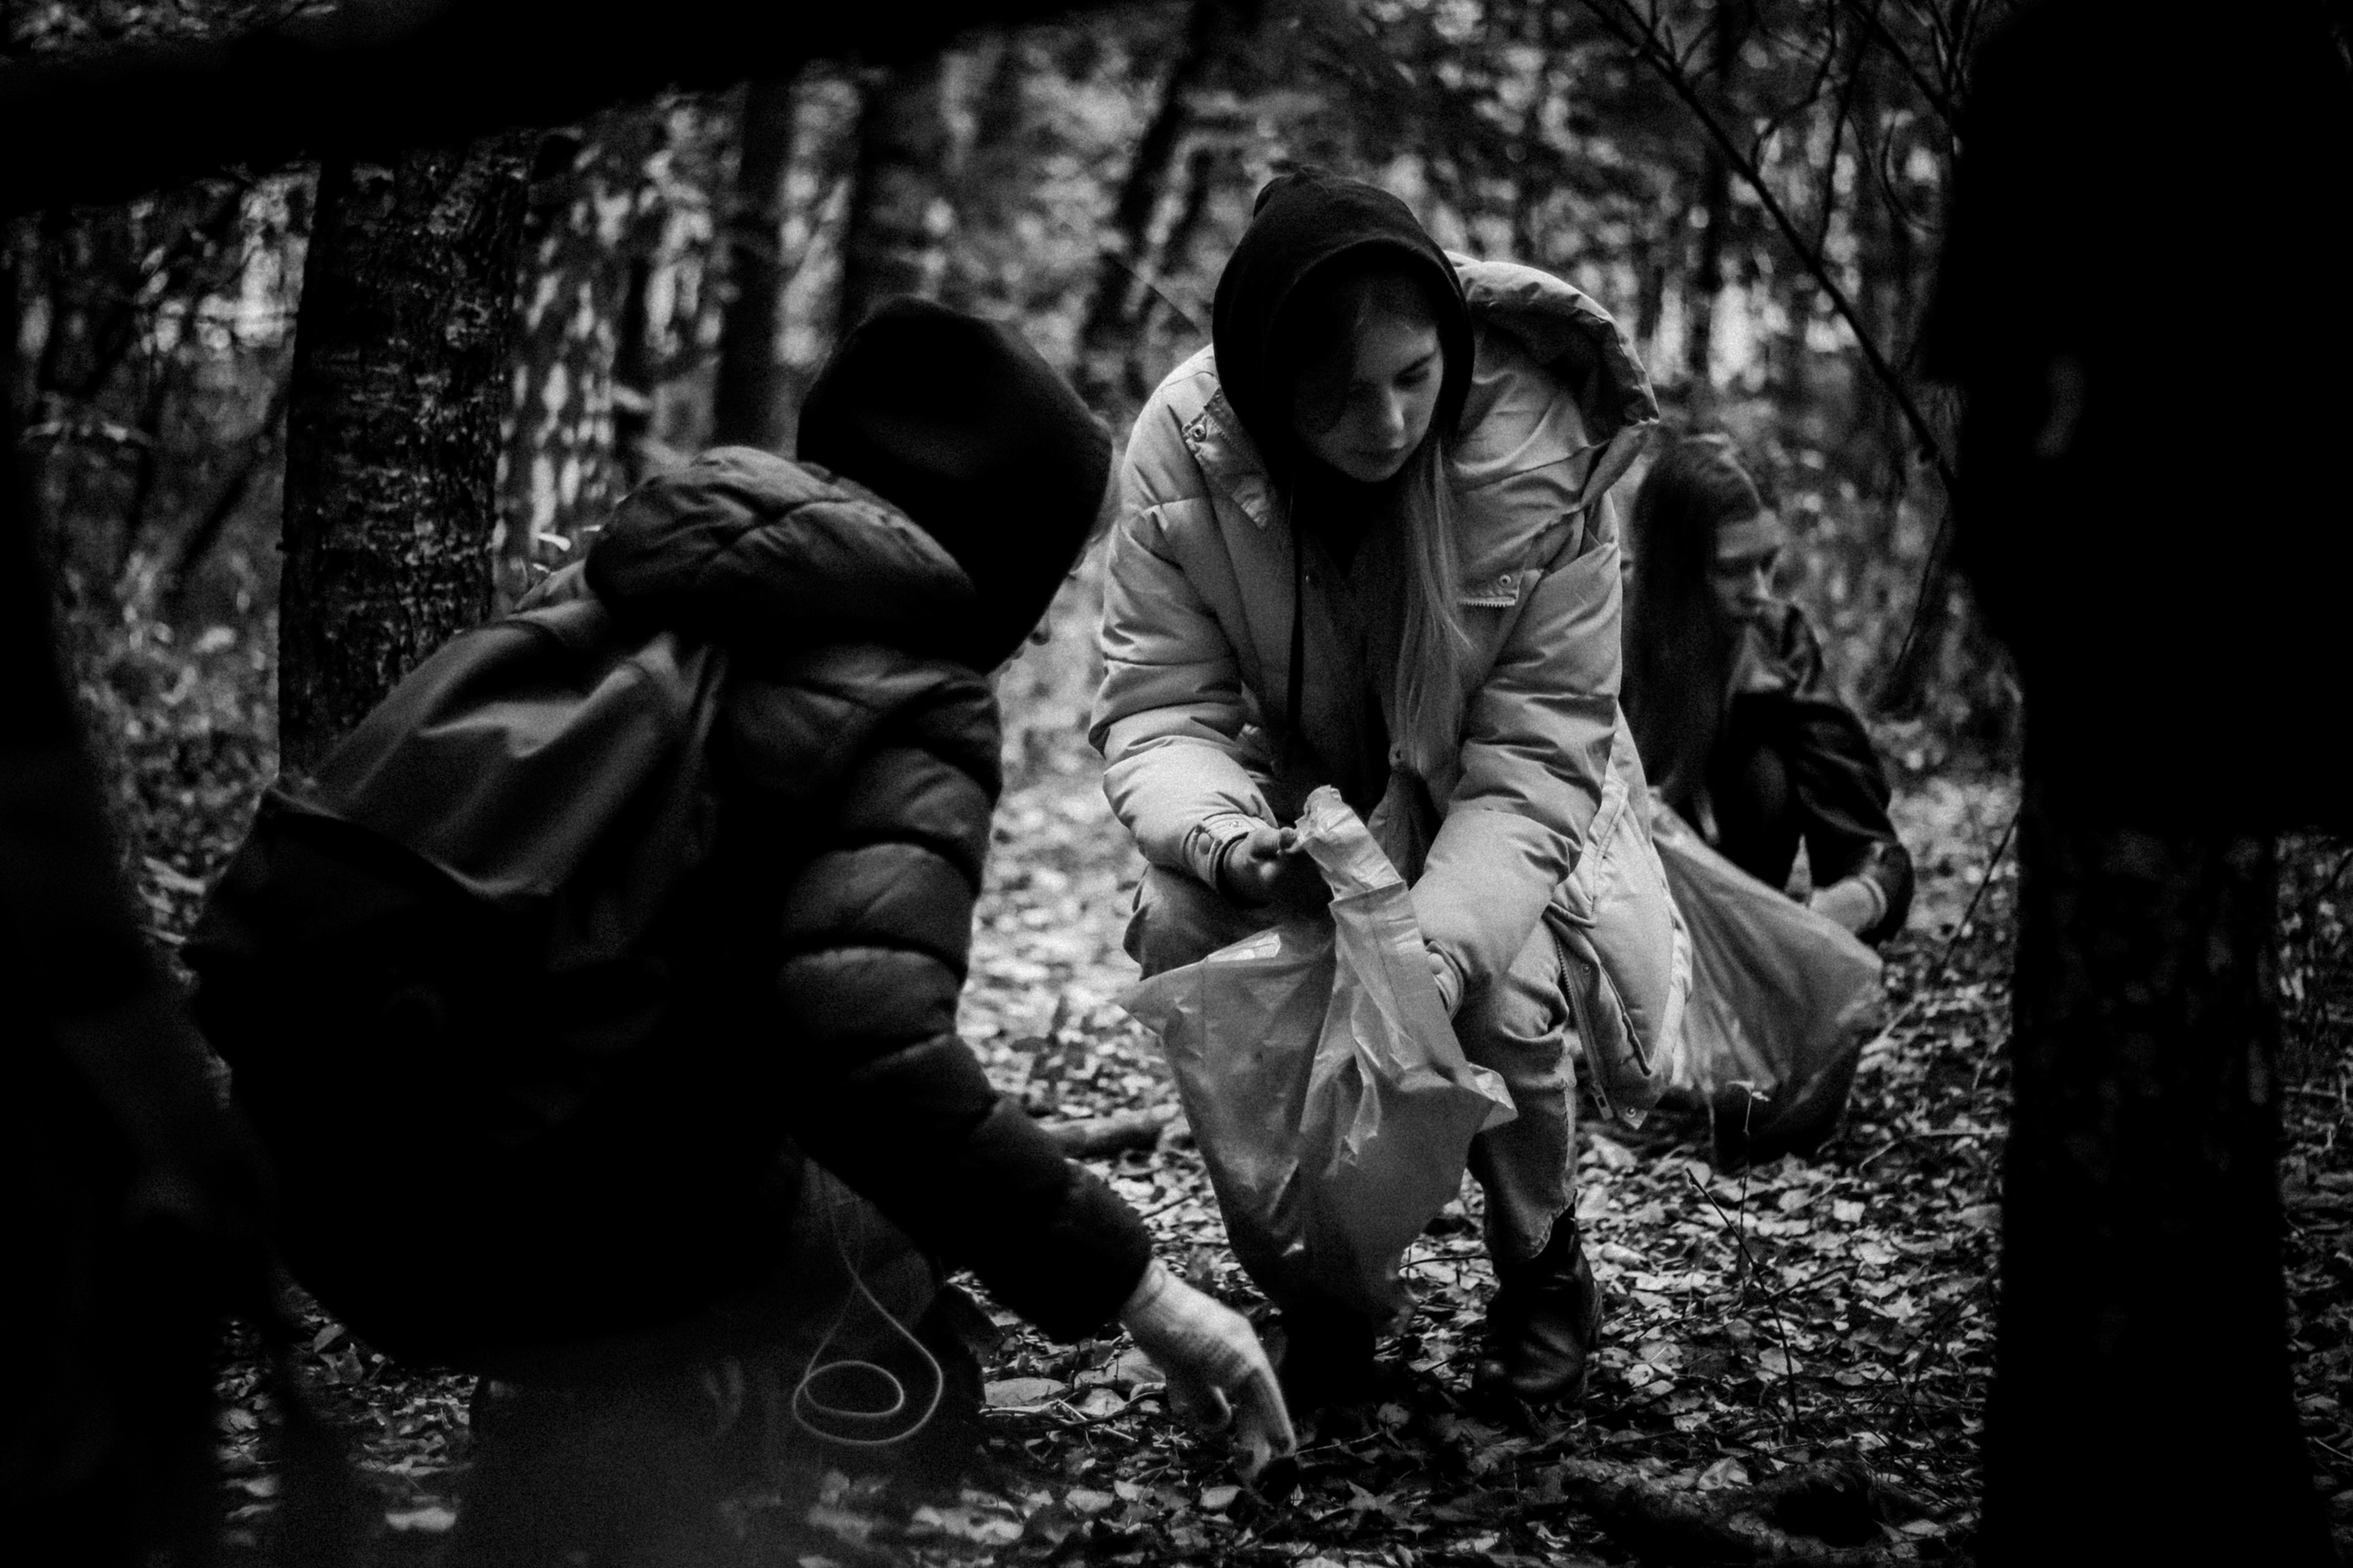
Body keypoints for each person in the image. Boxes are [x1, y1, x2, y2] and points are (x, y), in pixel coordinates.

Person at [188, 301, 1291, 1559]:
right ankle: (665, 1432)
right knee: (881, 1197)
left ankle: (608, 1440)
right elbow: (871, 1063)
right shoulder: (911, 696)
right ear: (999, 556)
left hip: (314, 1183)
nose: (1040, 624)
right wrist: (1141, 1287)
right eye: (1044, 575)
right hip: (518, 1239)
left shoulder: (620, 580)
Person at [1092, 168, 1667, 1409]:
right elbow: (1159, 706)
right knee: (1186, 929)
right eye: (1343, 393)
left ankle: (1540, 1260)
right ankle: (1321, 1287)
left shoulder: (1540, 465)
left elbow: (1537, 754)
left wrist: (1437, 955)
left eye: (1417, 378)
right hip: (1297, 795)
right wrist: (1233, 842)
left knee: (1500, 1000)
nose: (1391, 420)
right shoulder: (1185, 448)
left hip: (1491, 793)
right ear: (1263, 384)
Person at [1620, 434, 1912, 946]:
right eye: (1733, 569)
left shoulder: (1777, 643)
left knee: (1766, 770)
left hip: (1738, 945)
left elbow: (1867, 842)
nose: (1759, 590)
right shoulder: (1591, 629)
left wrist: (1850, 904)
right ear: (1669, 570)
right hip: (1610, 936)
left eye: (1767, 562)